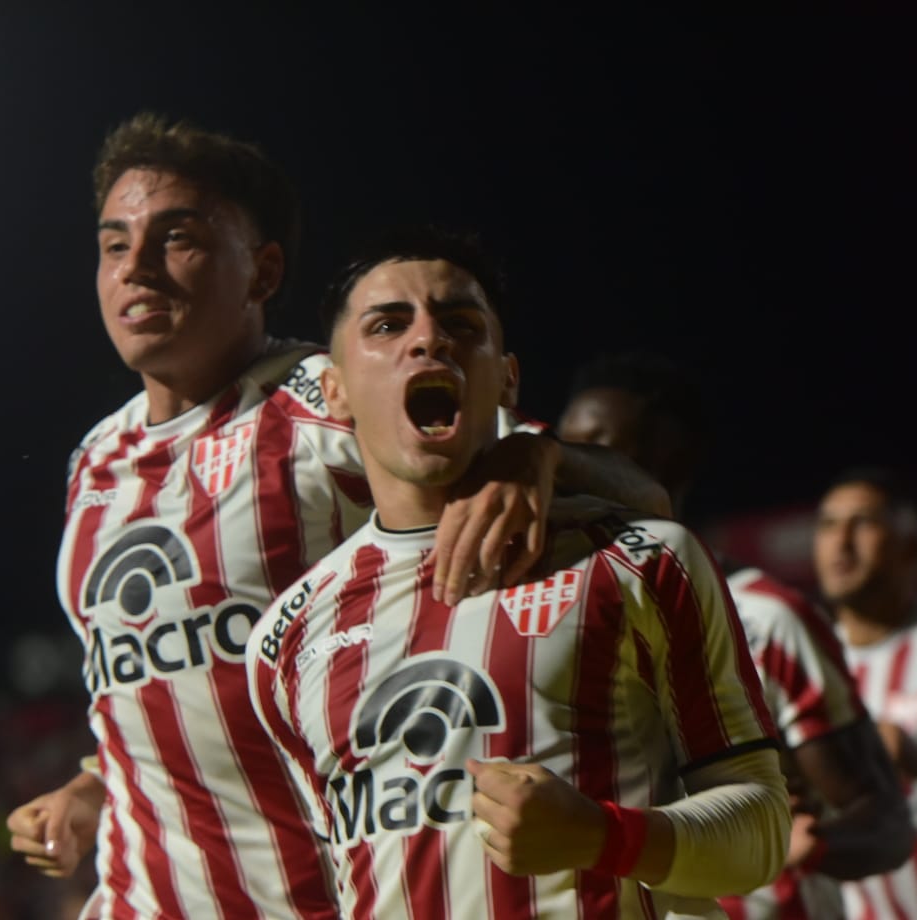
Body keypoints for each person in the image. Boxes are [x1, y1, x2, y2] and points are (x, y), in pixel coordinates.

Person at [5, 113, 671, 919]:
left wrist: (538, 455)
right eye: (115, 245)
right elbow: (153, 691)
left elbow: (643, 497)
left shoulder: (332, 398)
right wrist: (91, 787)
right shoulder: (94, 460)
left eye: (176, 238)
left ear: (262, 271)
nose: (136, 268)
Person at [247, 226, 791, 918]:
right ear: (335, 391)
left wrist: (603, 836)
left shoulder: (639, 559)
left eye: (460, 323)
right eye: (387, 325)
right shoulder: (285, 639)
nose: (428, 339)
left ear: (507, 379)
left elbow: (762, 828)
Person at [557, 352, 913, 919]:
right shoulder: (552, 616)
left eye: (597, 448)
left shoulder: (766, 617)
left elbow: (887, 822)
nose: (569, 467)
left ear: (669, 462)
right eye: (564, 447)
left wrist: (813, 845)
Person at [813, 468, 917, 919]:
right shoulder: (809, 661)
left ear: (911, 547)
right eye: (828, 525)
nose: (841, 541)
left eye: (863, 522)